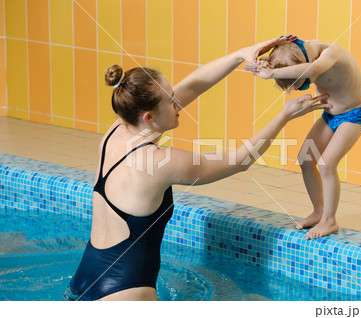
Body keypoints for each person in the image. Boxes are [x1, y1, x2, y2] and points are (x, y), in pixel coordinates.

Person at [66, 37, 332, 301]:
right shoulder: (160, 163)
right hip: (126, 291)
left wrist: (240, 54)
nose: (178, 103)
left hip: (85, 276)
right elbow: (241, 160)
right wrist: (284, 115)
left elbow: (193, 85)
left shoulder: (116, 132)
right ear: (148, 117)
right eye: (171, 101)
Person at [245, 35, 361, 240]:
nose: (297, 89)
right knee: (306, 158)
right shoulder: (298, 54)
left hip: (354, 114)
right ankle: (318, 212)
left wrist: (272, 73)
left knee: (326, 164)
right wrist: (261, 63)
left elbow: (312, 71)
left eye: (301, 85)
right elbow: (281, 61)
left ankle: (330, 220)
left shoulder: (332, 53)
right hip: (330, 115)